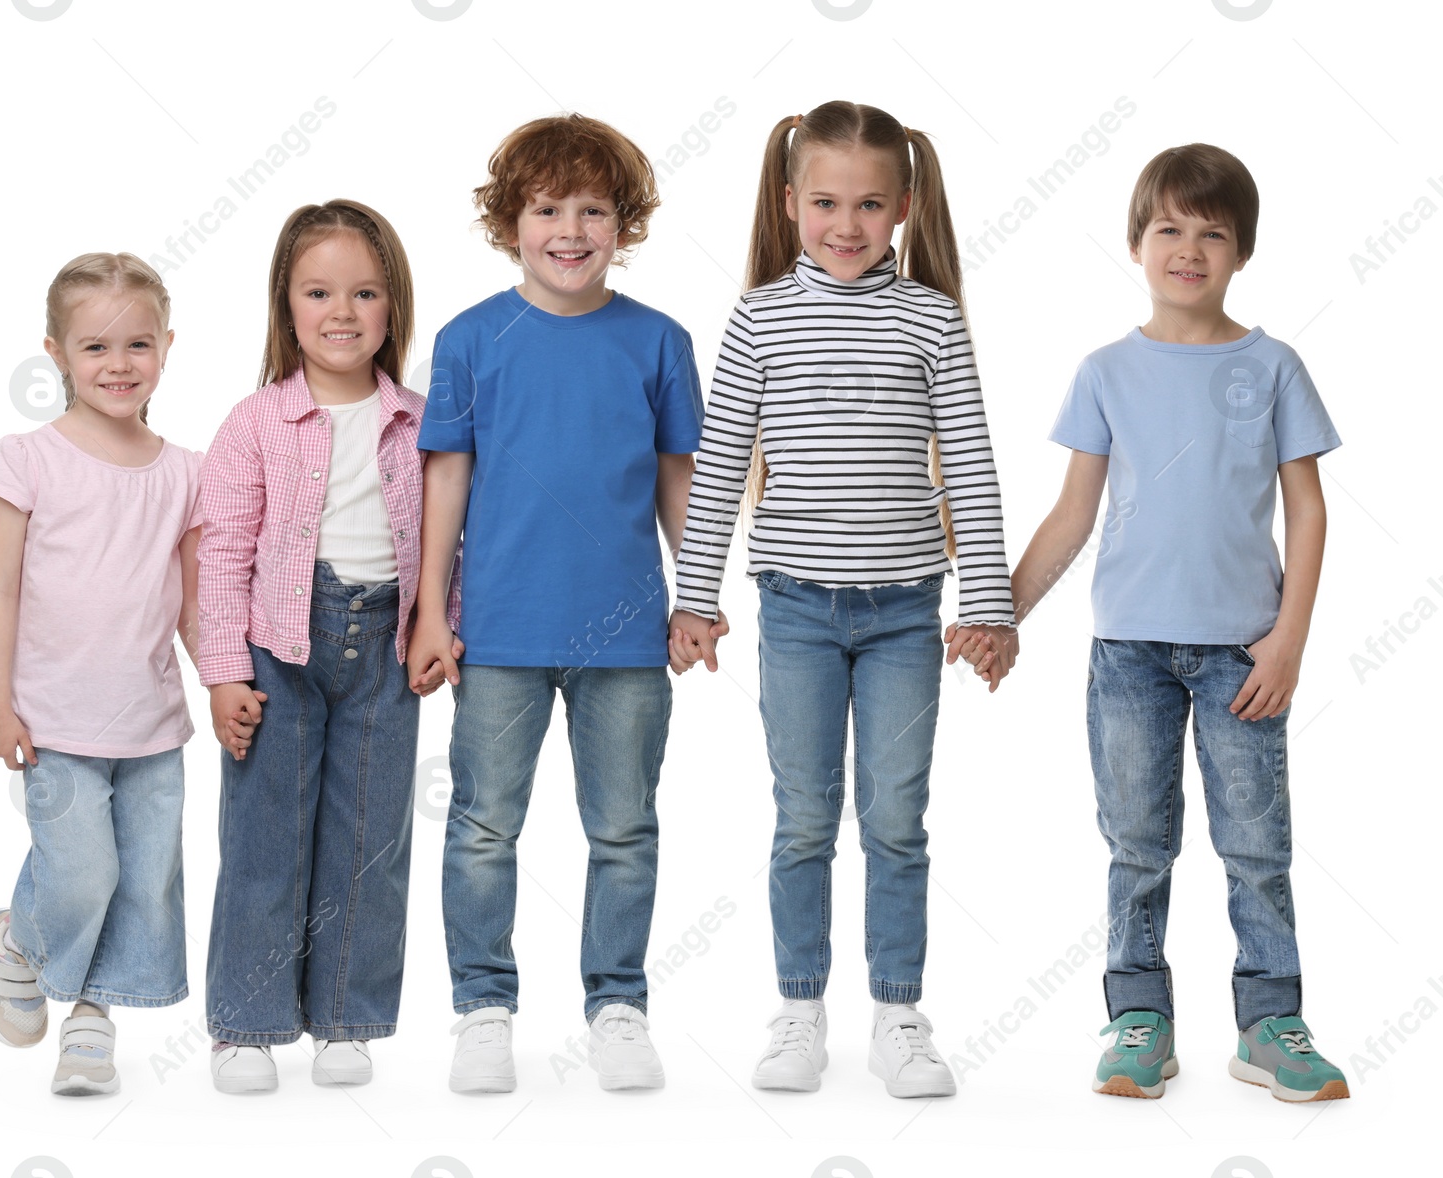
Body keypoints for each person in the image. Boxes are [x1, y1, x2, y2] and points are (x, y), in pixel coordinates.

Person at [669, 100, 1016, 1099]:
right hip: (794, 611)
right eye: (825, 201)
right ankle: (798, 1008)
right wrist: (696, 597)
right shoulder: (761, 313)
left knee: (896, 817)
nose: (847, 224)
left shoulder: (931, 316)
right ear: (790, 202)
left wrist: (985, 605)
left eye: (869, 203)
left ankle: (899, 1011)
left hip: (907, 610)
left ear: (903, 204)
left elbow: (971, 466)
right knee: (804, 816)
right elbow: (722, 453)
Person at [1005, 144, 1349, 1102]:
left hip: (1245, 651)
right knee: (1137, 843)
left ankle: (1271, 1021)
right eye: (1168, 228)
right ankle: (1137, 1018)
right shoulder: (1106, 370)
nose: (1188, 249)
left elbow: (1308, 509)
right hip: (1128, 654)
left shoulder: (1272, 365)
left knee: (1254, 844)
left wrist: (1288, 639)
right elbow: (1073, 513)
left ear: (1241, 253)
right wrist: (1006, 612)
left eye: (1213, 233)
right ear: (1134, 242)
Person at [408, 113, 707, 1093]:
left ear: (624, 222)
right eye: (546, 209)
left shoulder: (657, 340)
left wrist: (695, 595)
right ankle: (482, 1007)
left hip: (625, 632)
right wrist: (427, 614)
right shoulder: (468, 339)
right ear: (510, 222)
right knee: (484, 826)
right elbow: (443, 484)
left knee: (623, 828)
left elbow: (678, 479)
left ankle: (616, 1002)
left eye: (592, 209)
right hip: (498, 632)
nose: (569, 230)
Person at [198, 200, 459, 1094]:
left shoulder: (421, 421)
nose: (341, 312)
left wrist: (442, 625)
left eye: (364, 292)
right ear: (288, 305)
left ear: (393, 308)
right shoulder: (257, 420)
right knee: (266, 839)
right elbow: (223, 552)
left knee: (368, 841)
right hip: (280, 645)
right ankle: (248, 1023)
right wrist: (225, 672)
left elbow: (452, 539)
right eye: (319, 292)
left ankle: (346, 1016)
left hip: (388, 645)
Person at [0, 252, 200, 1096]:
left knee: (144, 882)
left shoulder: (185, 471)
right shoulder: (28, 458)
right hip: (54, 721)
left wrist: (224, 681)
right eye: (95, 347)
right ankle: (17, 939)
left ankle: (92, 1020)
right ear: (56, 352)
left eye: (137, 345)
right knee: (84, 872)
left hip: (152, 726)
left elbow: (193, 604)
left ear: (167, 347)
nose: (118, 365)